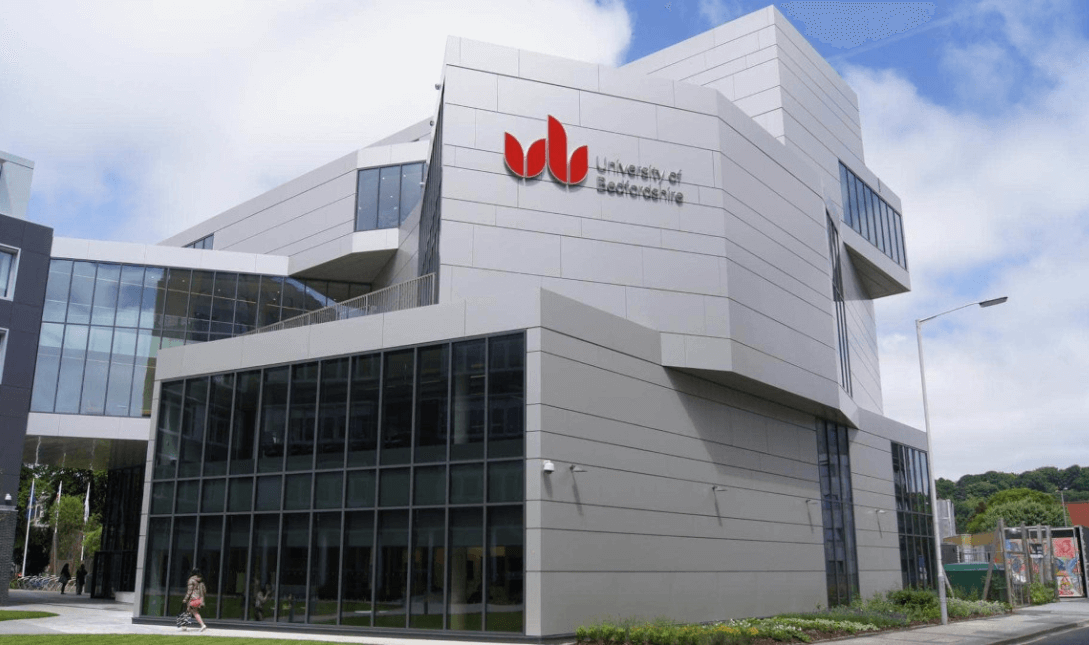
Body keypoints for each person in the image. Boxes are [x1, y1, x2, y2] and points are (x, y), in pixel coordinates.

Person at [181, 568, 208, 633]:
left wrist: (185, 599)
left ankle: (202, 625)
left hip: (193, 599)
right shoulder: (201, 580)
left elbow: (189, 591)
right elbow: (204, 591)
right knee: (189, 610)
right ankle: (184, 625)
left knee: (195, 612)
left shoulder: (191, 580)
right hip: (200, 599)